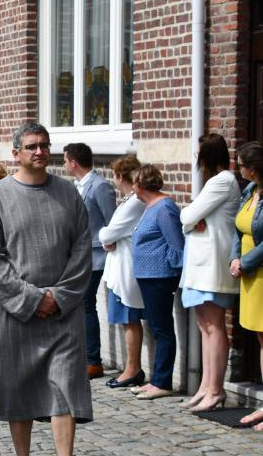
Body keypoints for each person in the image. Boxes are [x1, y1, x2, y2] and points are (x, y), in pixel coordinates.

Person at [0, 122, 98, 456]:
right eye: (32, 146)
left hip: (62, 313)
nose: (40, 152)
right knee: (19, 389)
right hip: (15, 313)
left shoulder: (68, 193)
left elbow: (82, 249)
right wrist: (29, 299)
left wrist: (60, 296)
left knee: (65, 391)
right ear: (16, 152)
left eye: (45, 145)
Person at [179, 134, 240, 411]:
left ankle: (216, 389)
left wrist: (192, 218)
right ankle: (206, 385)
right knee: (205, 325)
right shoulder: (215, 183)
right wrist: (193, 218)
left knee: (214, 325)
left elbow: (187, 216)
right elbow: (193, 217)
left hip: (212, 263)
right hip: (202, 264)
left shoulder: (221, 181)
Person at [63, 143, 117, 379]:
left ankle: (93, 361)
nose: (64, 165)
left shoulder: (100, 186)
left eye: (65, 160)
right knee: (78, 305)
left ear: (73, 162)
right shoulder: (76, 186)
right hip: (78, 256)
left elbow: (111, 222)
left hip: (96, 257)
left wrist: (107, 245)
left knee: (86, 305)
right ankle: (81, 355)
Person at [131, 164, 184, 400]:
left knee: (162, 329)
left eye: (134, 183)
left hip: (160, 276)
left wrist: (171, 272)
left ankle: (162, 381)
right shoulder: (150, 206)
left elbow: (176, 244)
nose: (132, 188)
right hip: (148, 276)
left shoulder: (164, 207)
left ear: (141, 184)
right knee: (156, 327)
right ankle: (156, 379)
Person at [97, 154, 147, 389]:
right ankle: (131, 367)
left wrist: (108, 237)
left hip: (126, 267)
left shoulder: (135, 202)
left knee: (129, 319)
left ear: (120, 176)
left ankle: (133, 368)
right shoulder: (129, 200)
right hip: (118, 264)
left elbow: (108, 233)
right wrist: (110, 238)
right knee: (126, 319)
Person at [232, 142, 263, 430]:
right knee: (260, 338)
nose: (237, 170)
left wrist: (246, 262)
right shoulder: (249, 191)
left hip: (259, 270)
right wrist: (235, 257)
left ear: (253, 168)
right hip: (249, 273)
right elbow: (237, 227)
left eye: (240, 165)